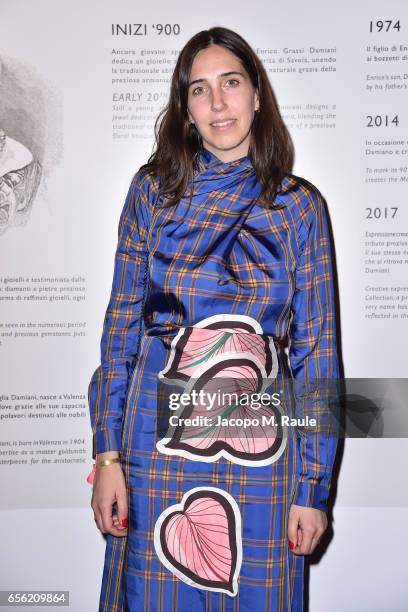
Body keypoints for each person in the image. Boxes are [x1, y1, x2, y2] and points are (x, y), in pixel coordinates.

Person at [87, 26, 341, 612]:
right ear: (186, 108)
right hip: (156, 447)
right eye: (199, 90)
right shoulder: (152, 193)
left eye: (230, 83)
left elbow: (318, 357)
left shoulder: (300, 207)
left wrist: (313, 489)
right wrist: (107, 456)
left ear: (257, 94)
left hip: (264, 456)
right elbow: (121, 330)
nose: (218, 102)